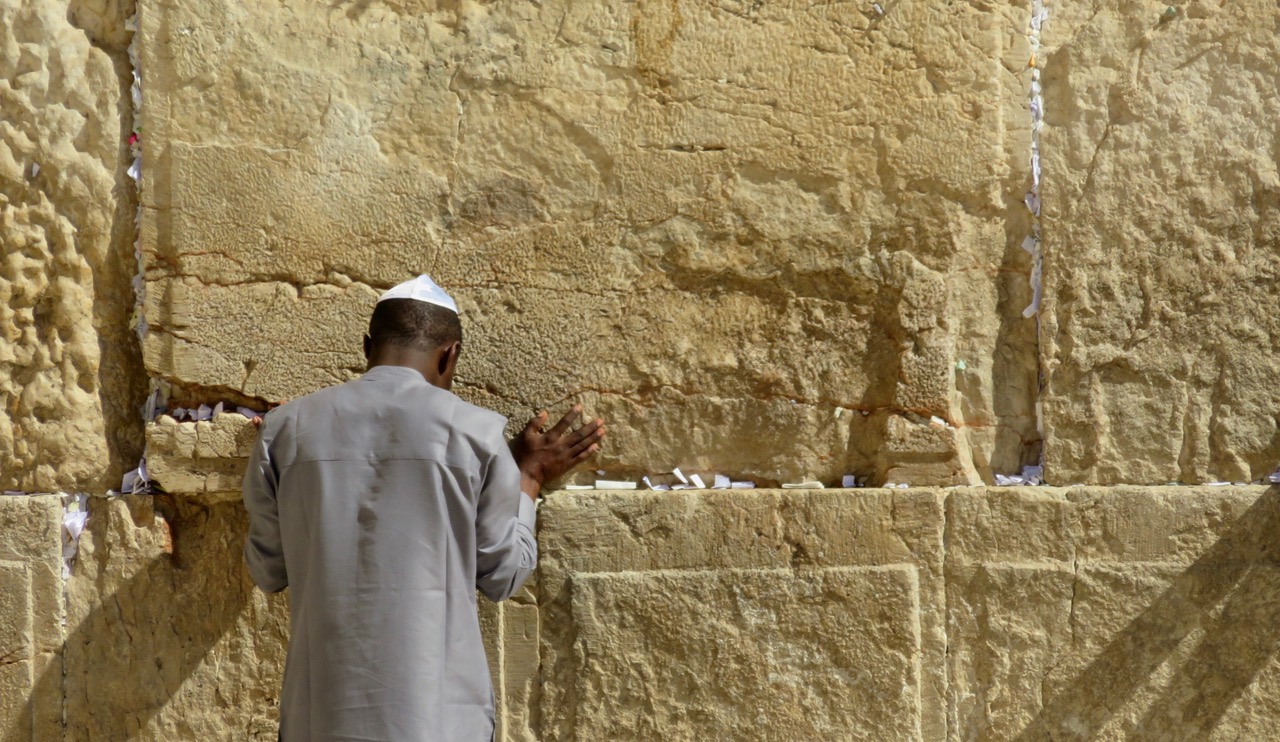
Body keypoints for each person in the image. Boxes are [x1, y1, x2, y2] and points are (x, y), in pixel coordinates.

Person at [242, 274, 605, 741]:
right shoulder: (477, 433)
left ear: (367, 345)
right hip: (438, 721)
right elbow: (503, 575)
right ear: (449, 354)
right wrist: (529, 478)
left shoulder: (284, 429)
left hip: (321, 718)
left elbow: (268, 571)